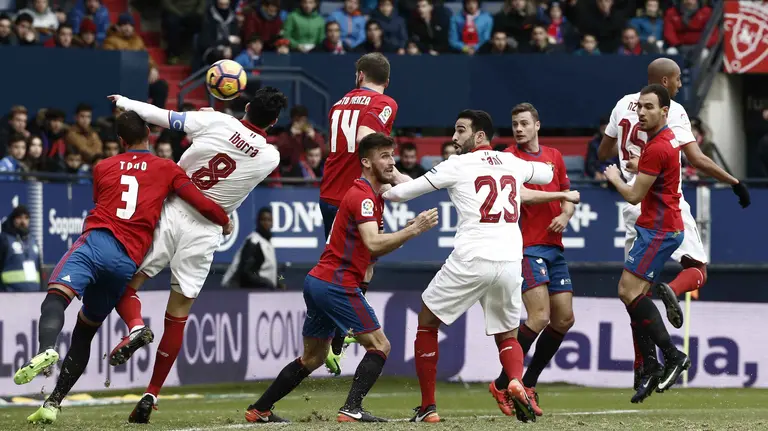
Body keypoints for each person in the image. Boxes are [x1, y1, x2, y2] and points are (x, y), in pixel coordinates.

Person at [20, 111, 230, 425]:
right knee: (85, 332)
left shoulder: (102, 166)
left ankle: (46, 348)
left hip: (96, 242)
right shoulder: (166, 168)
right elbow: (198, 201)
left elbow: (103, 198)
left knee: (56, 298)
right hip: (126, 260)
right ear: (149, 134)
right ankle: (52, 403)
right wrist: (224, 221)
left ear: (120, 140)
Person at [104, 87, 285, 423]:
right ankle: (152, 392)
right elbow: (240, 183)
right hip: (206, 231)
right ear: (273, 122)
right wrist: (227, 215)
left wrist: (127, 103)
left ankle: (135, 327)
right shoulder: (270, 156)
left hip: (171, 211)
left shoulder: (215, 120)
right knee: (179, 313)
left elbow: (162, 118)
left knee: (128, 286)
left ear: (245, 106)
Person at [244, 133, 438, 423]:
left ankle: (259, 409)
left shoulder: (370, 197)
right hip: (336, 282)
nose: (390, 161)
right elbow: (373, 244)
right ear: (366, 162)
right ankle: (352, 408)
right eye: (384, 156)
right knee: (380, 345)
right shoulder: (363, 198)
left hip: (320, 281)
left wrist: (405, 232)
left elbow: (369, 253)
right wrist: (413, 231)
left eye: (391, 155)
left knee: (312, 359)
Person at [383, 110, 556, 423]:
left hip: (472, 256)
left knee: (427, 321)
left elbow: (401, 194)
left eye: (460, 130)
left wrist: (381, 187)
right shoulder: (511, 161)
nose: (453, 137)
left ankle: (428, 408)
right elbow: (546, 173)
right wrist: (539, 164)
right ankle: (515, 380)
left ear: (479, 136)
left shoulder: (457, 164)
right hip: (508, 259)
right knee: (507, 335)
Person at [597, 58, 751, 388]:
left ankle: (646, 365)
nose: (681, 85)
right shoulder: (673, 112)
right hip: (665, 207)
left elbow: (602, 151)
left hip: (634, 210)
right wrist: (734, 181)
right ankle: (673, 296)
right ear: (665, 83)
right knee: (696, 269)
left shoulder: (622, 105)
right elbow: (695, 158)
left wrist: (625, 164)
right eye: (678, 80)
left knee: (632, 295)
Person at [319, 53, 410, 375]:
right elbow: (364, 141)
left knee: (348, 265)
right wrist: (398, 179)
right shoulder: (384, 103)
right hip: (355, 195)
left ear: (359, 75)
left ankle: (331, 336)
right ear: (386, 79)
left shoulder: (339, 104)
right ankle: (340, 334)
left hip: (330, 191)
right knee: (361, 262)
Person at [603, 84, 690, 403]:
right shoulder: (661, 141)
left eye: (649, 107)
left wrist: (614, 177)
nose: (641, 111)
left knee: (627, 292)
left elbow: (634, 195)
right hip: (657, 227)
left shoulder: (657, 146)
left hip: (659, 229)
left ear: (664, 111)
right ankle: (652, 365)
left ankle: (672, 356)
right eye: (639, 106)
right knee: (634, 296)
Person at [490, 103, 578, 418]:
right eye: (515, 124)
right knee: (538, 317)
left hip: (555, 248)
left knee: (564, 319)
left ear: (537, 125)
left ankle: (527, 382)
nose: (518, 128)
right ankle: (502, 383)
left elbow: (569, 196)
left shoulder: (554, 156)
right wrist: (561, 200)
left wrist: (565, 216)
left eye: (524, 123)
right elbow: (521, 196)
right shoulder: (510, 158)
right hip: (528, 247)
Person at [223, 207, 281, 289]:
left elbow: (275, 274)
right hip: (234, 289)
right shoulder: (253, 242)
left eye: (269, 220)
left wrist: (280, 283)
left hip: (263, 291)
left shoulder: (268, 243)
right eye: (263, 220)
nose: (266, 223)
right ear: (258, 222)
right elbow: (246, 273)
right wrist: (267, 283)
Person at [0, 206, 40, 292]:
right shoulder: (4, 239)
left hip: (34, 294)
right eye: (19, 218)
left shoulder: (33, 241)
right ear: (13, 219)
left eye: (26, 218)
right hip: (9, 295)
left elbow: (39, 268)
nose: (23, 221)